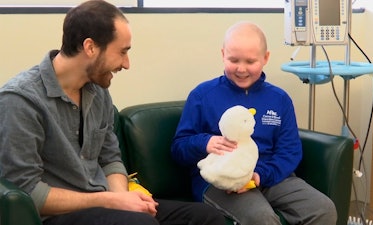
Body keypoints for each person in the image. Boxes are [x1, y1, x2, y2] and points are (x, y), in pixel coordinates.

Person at [0, 1, 226, 225]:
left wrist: (122, 199)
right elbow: (27, 191)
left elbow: (110, 158)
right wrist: (110, 201)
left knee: (207, 218)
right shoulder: (20, 100)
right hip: (58, 216)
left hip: (106, 204)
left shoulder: (98, 92)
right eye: (122, 52)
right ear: (90, 48)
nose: (126, 64)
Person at [171, 21, 337, 225]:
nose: (241, 69)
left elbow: (290, 151)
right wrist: (205, 142)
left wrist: (260, 176)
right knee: (262, 218)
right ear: (223, 54)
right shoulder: (202, 95)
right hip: (222, 182)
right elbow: (179, 148)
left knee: (323, 208)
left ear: (265, 58)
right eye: (233, 60)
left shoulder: (279, 99)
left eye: (250, 61)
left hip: (270, 175)